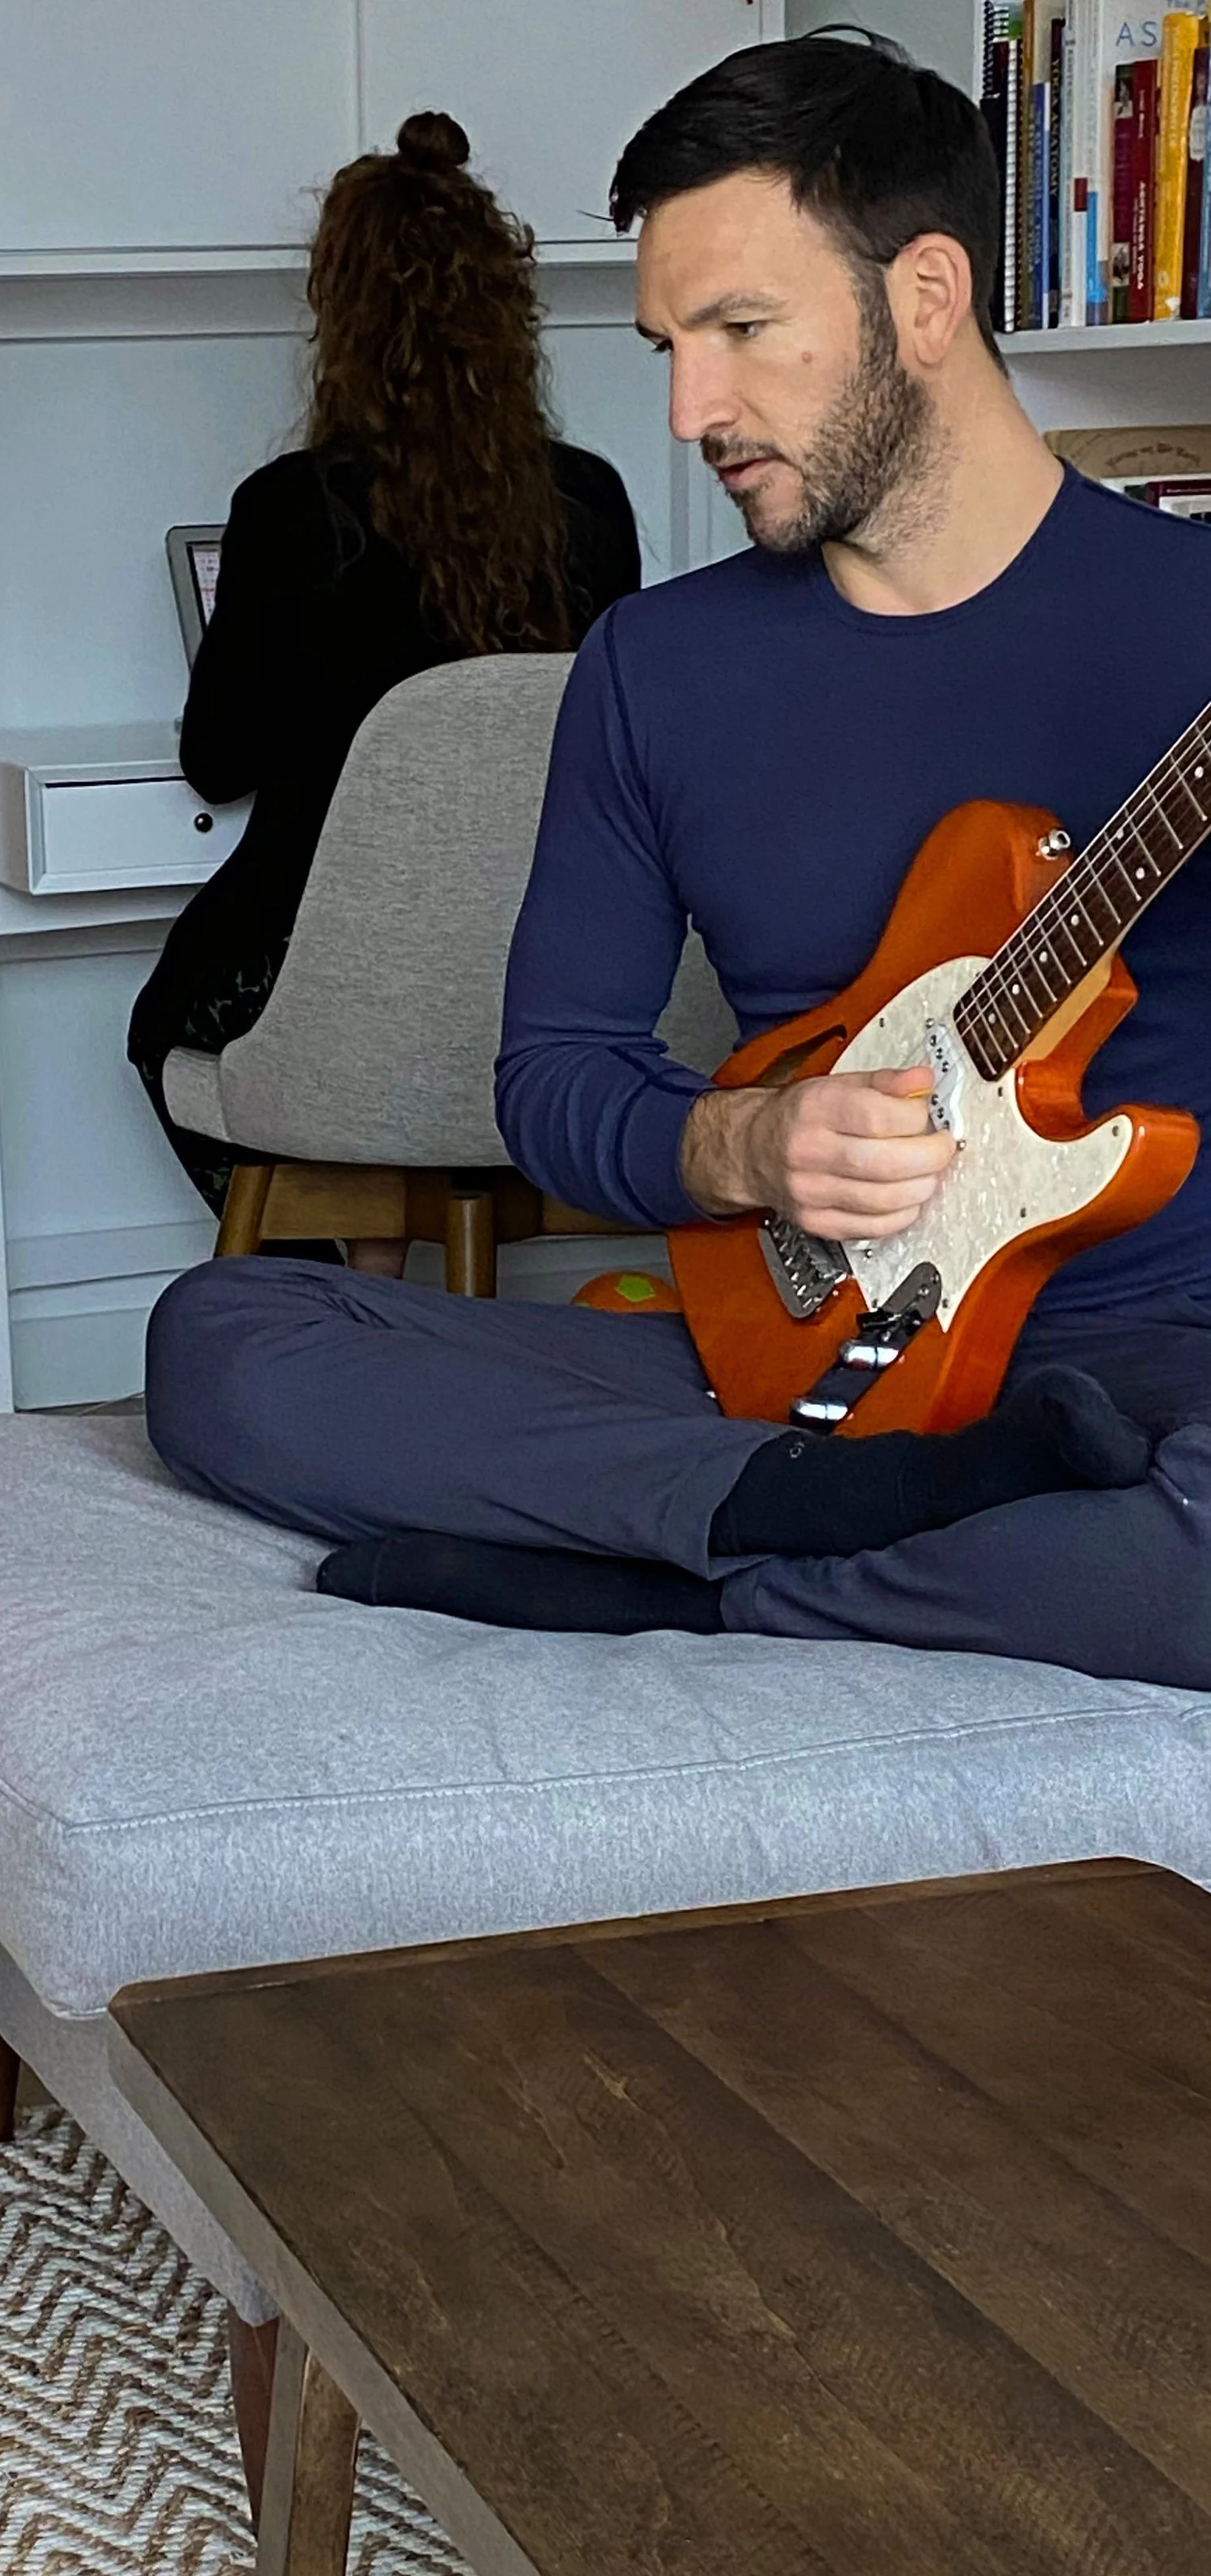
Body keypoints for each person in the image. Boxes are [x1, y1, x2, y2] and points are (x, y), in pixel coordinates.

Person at [142, 34, 1211, 1693]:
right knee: (222, 1343)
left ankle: (703, 1575)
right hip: (778, 1366)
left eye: (737, 333)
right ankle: (825, 1513)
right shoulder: (655, 667)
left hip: (1141, 1358)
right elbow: (553, 1077)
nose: (685, 411)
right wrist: (750, 1140)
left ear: (924, 296)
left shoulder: (1183, 631)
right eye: (664, 344)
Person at [128, 109, 642, 1224]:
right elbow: (631, 758)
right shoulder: (592, 504)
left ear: (342, 324)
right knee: (425, 1020)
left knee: (163, 1030)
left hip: (340, 993)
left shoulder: (288, 513)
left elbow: (218, 763)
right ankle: (414, 1268)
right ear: (507, 318)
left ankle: (330, 1292)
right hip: (539, 981)